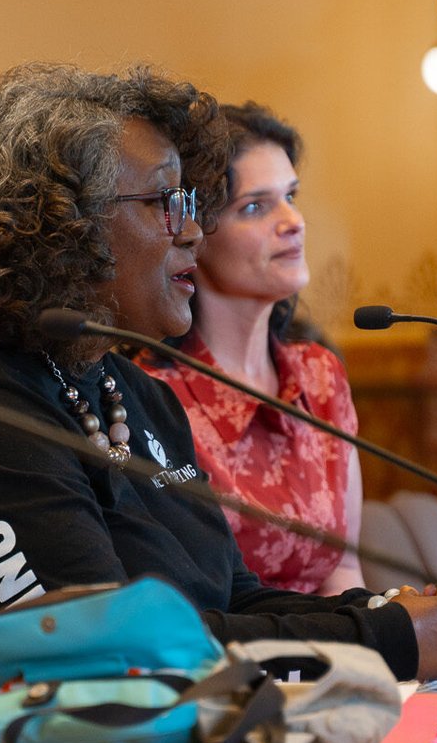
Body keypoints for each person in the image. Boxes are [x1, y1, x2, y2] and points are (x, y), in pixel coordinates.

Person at [0, 63, 437, 701]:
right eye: (163, 203)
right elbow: (120, 663)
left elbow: (233, 594)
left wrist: (383, 610)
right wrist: (384, 641)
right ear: (59, 226)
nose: (193, 232)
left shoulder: (128, 389)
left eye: (193, 204)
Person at [136, 102, 364, 594]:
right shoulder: (149, 397)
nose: (294, 221)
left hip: (338, 659)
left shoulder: (320, 377)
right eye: (255, 207)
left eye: (291, 196)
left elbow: (342, 576)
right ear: (194, 234)